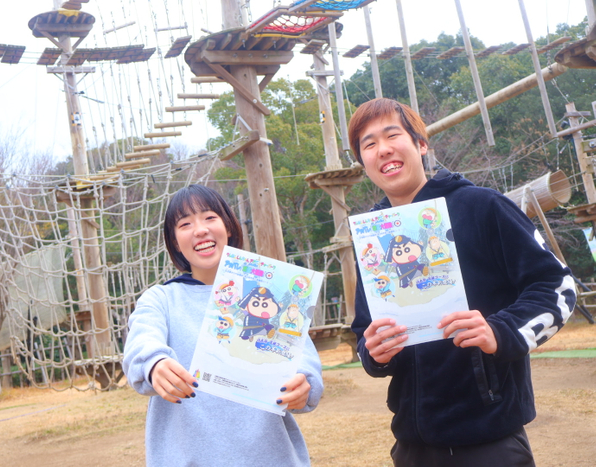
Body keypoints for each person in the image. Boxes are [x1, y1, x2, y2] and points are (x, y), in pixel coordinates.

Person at [348, 98, 577, 467]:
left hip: (491, 439)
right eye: (369, 144)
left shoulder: (483, 206)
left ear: (421, 144)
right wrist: (373, 352)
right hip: (412, 443)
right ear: (363, 162)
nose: (383, 149)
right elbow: (363, 330)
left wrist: (499, 330)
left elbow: (557, 286)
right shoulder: (373, 239)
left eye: (393, 135)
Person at [122, 184, 323, 467]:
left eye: (209, 217)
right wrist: (153, 363)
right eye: (185, 223)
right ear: (174, 241)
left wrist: (304, 384)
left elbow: (304, 364)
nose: (200, 229)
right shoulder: (162, 299)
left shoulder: (268, 292)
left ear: (228, 226)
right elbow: (141, 343)